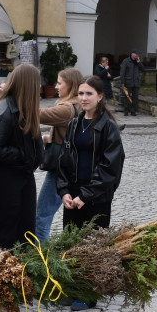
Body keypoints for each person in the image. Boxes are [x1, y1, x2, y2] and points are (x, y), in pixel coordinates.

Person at [0, 63, 43, 250]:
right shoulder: (4, 109)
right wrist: (23, 155)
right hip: (6, 177)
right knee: (6, 231)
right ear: (28, 84)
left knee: (26, 229)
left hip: (21, 173)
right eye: (37, 83)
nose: (40, 87)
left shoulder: (21, 106)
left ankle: (24, 265)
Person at [56, 74, 124, 234]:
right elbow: (63, 159)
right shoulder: (74, 124)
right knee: (70, 242)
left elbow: (110, 167)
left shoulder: (108, 127)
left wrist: (85, 195)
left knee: (93, 244)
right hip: (73, 195)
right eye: (80, 93)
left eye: (89, 93)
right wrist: (64, 191)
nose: (84, 98)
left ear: (100, 96)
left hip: (97, 197)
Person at [35, 68, 83, 241]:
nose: (56, 86)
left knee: (41, 215)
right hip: (71, 166)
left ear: (70, 85)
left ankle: (40, 252)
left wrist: (20, 97)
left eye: (59, 83)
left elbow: (38, 114)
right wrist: (48, 139)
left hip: (59, 169)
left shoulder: (67, 109)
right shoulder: (79, 105)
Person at [119, 49, 144, 116]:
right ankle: (126, 110)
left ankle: (133, 111)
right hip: (128, 82)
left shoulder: (138, 62)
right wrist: (122, 82)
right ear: (132, 54)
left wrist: (139, 63)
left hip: (136, 83)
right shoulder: (126, 61)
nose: (137, 55)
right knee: (127, 97)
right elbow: (122, 72)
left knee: (135, 97)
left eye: (138, 54)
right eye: (136, 54)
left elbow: (143, 69)